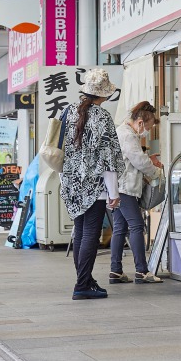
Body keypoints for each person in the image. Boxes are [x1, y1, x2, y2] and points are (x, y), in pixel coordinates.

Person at [59, 68, 126, 300]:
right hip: (94, 186)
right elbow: (109, 158)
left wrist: (67, 180)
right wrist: (114, 192)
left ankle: (85, 281)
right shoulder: (103, 118)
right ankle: (82, 285)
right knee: (90, 233)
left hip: (71, 183)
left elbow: (60, 150)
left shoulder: (67, 112)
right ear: (105, 95)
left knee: (80, 232)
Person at [108, 100, 165, 284]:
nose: (146, 132)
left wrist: (148, 159)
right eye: (147, 127)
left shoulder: (124, 133)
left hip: (119, 187)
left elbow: (134, 158)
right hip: (125, 189)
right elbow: (138, 161)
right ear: (140, 122)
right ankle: (141, 271)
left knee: (120, 228)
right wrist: (156, 173)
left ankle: (116, 271)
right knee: (137, 226)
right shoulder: (128, 135)